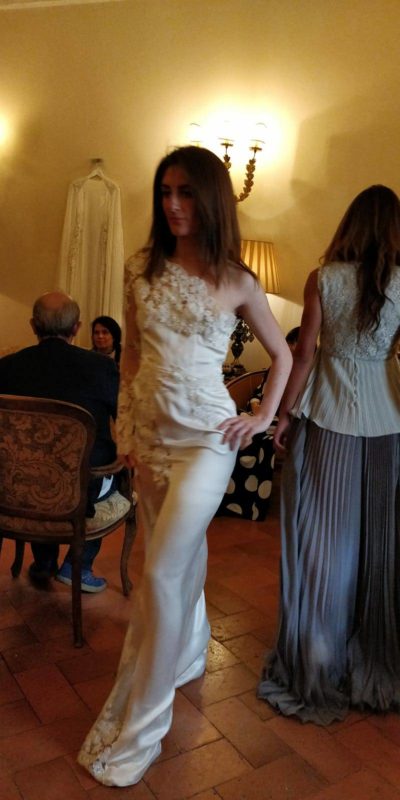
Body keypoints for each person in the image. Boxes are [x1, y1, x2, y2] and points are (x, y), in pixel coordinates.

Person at [77, 145, 292, 786]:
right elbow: (132, 358)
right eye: (165, 191)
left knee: (160, 572)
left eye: (186, 192)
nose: (172, 203)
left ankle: (142, 731)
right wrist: (125, 426)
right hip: (150, 440)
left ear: (212, 199)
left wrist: (262, 416)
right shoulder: (140, 268)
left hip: (207, 442)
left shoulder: (238, 280)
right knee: (180, 556)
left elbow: (283, 355)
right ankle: (191, 647)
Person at [258, 184, 400, 725]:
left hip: (330, 416)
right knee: (379, 542)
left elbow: (304, 354)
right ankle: (374, 661)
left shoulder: (324, 279)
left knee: (326, 540)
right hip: (389, 422)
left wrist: (284, 415)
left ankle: (320, 660)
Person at [0, 291, 121, 592]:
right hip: (80, 488)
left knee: (40, 470)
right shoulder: (102, 368)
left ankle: (44, 563)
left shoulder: (6, 367)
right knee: (110, 474)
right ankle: (78, 565)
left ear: (33, 325)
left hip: (18, 488)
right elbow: (122, 415)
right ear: (77, 328)